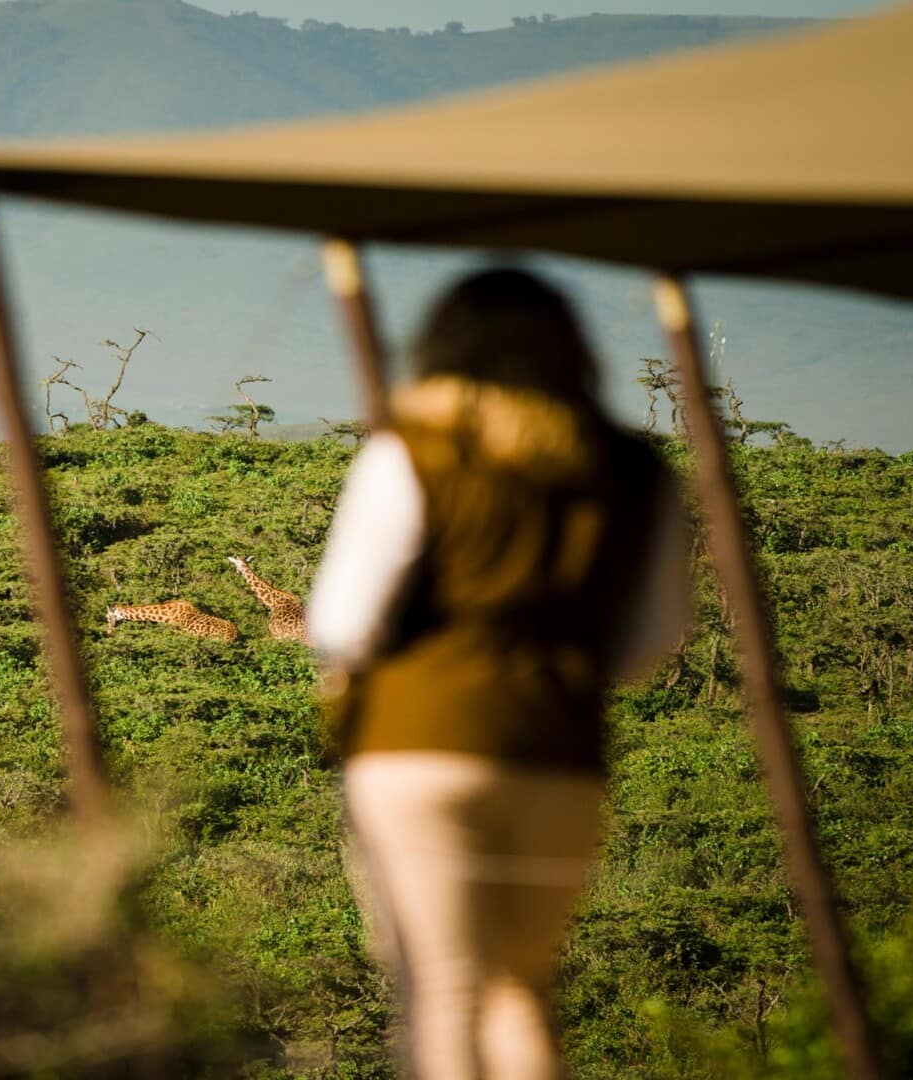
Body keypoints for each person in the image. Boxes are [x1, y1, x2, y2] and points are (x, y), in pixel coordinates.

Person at [307, 268, 692, 1080]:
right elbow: (652, 642)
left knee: (443, 986)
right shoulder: (635, 470)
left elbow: (342, 621)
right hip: (559, 752)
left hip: (418, 746)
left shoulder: (413, 446)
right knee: (521, 992)